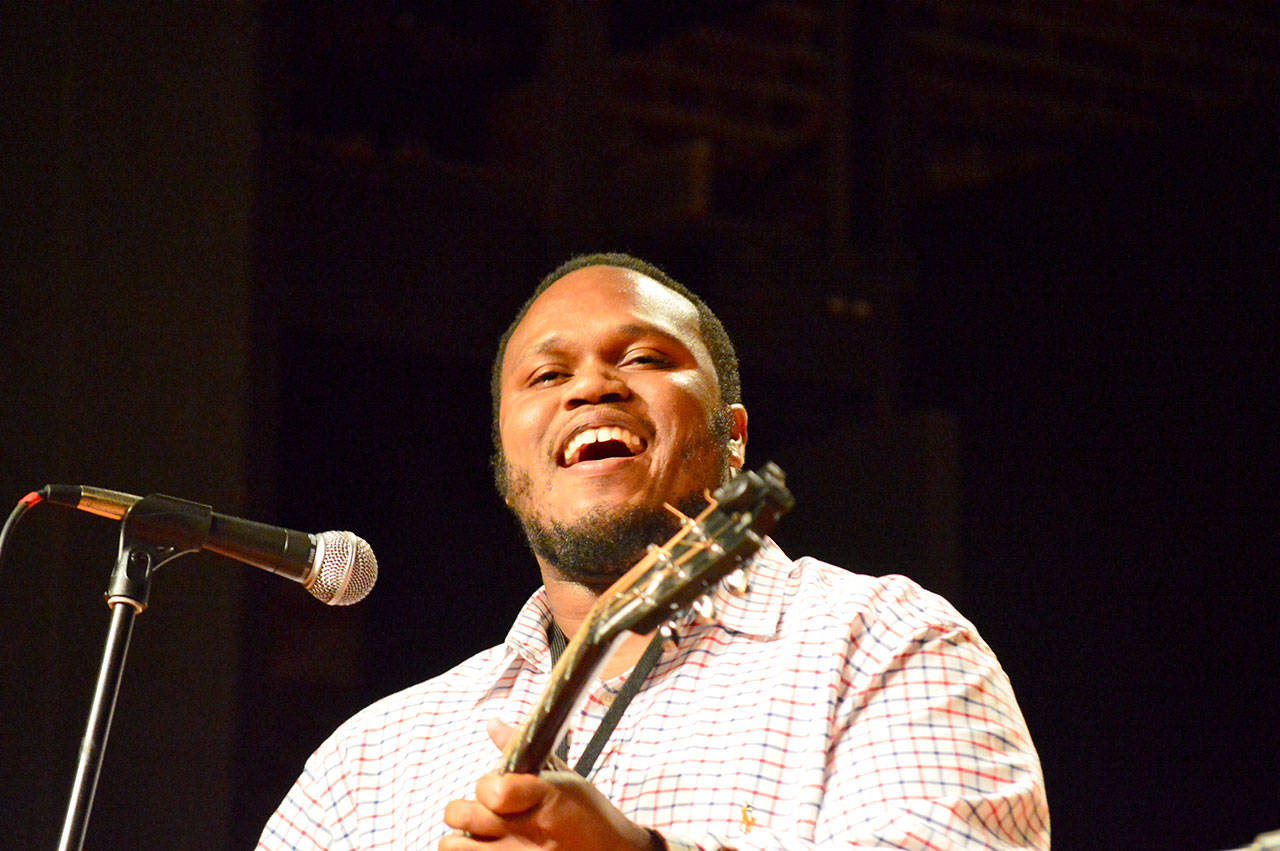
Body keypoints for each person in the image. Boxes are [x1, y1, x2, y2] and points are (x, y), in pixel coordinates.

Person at [259, 254, 1050, 850]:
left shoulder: (880, 644)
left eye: (643, 358)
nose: (590, 386)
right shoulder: (366, 765)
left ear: (734, 440)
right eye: (546, 373)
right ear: (507, 468)